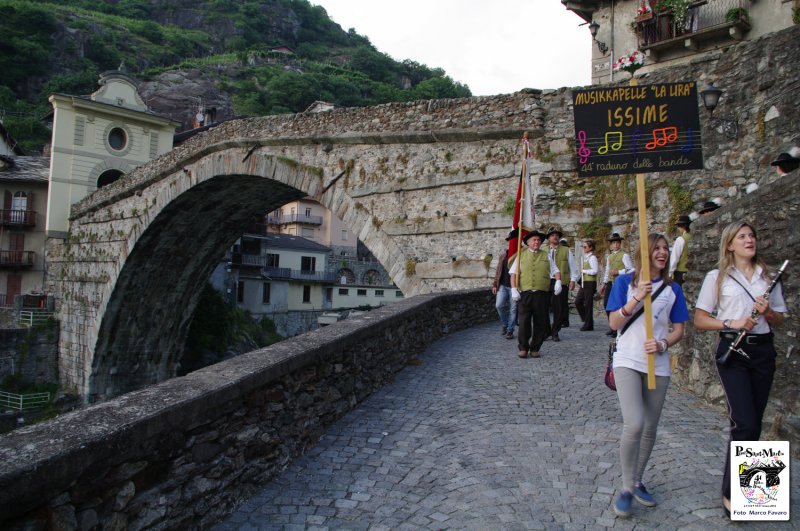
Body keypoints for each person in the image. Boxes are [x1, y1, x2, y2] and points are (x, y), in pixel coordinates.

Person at [692, 221, 787, 518]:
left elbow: (780, 318)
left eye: (752, 235)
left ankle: (756, 497)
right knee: (743, 422)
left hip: (763, 350)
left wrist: (767, 312)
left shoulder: (768, 276)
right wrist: (731, 323)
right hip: (734, 351)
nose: (749, 240)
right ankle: (732, 496)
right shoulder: (717, 277)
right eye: (742, 236)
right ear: (730, 244)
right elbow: (700, 319)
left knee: (754, 424)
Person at [606, 233, 689, 518]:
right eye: (657, 248)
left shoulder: (672, 289)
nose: (663, 252)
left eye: (666, 248)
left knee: (650, 426)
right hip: (627, 359)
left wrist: (665, 343)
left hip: (658, 364)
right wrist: (636, 298)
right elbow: (614, 321)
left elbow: (679, 328)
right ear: (645, 252)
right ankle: (627, 488)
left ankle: (638, 479)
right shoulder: (624, 283)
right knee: (635, 423)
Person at [510, 230, 561, 359]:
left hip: (541, 295)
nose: (537, 242)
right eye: (534, 240)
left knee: (540, 322)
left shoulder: (546, 255)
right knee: (524, 323)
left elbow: (556, 270)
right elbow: (514, 274)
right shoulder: (521, 256)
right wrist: (514, 289)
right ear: (528, 242)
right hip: (525, 294)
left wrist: (558, 282)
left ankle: (535, 348)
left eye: (538, 240)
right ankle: (523, 347)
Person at [600, 233, 634, 337]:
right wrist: (604, 283)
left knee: (618, 305)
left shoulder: (624, 255)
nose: (616, 244)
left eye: (617, 242)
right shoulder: (609, 256)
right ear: (611, 244)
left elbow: (631, 269)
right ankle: (612, 326)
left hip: (620, 284)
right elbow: (607, 271)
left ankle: (617, 328)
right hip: (611, 283)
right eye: (614, 242)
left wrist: (619, 272)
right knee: (607, 304)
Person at [546, 226, 577, 342]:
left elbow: (573, 266)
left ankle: (555, 331)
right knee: (544, 308)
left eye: (557, 235)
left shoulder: (566, 250)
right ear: (549, 238)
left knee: (559, 309)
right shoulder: (543, 250)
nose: (555, 237)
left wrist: (573, 280)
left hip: (561, 282)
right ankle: (546, 330)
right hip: (545, 282)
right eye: (552, 235)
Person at [492, 230, 518, 340]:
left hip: (514, 287)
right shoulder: (503, 255)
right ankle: (505, 324)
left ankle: (510, 330)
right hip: (502, 285)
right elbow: (498, 271)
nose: (512, 242)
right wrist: (495, 284)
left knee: (513, 309)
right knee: (499, 305)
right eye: (511, 240)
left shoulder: (520, 255)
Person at [574, 239, 599, 331]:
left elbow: (595, 270)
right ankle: (587, 320)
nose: (583, 248)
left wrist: (584, 271)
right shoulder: (585, 257)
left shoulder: (592, 258)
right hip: (584, 282)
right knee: (578, 301)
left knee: (588, 303)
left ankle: (588, 324)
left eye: (585, 247)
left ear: (591, 248)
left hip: (590, 283)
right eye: (583, 247)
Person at [668, 214, 692, 286]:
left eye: (678, 225)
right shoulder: (692, 236)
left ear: (682, 226)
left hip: (680, 273)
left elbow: (675, 258)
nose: (678, 228)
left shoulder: (680, 239)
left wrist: (670, 273)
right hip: (691, 271)